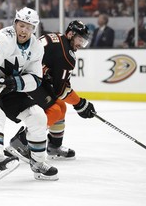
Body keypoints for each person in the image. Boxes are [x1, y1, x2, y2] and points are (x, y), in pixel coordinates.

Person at [0, 7, 58, 182]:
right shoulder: (3, 38)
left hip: (7, 86)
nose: (24, 30)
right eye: (21, 25)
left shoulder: (36, 47)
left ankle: (38, 164)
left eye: (29, 27)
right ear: (15, 23)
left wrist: (15, 83)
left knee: (38, 116)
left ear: (34, 29)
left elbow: (36, 78)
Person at [6, 20, 96, 161]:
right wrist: (80, 104)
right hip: (24, 80)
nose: (81, 45)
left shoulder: (59, 38)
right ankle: (21, 141)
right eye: (80, 40)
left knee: (61, 106)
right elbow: (61, 90)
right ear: (71, 34)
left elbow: (59, 84)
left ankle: (54, 147)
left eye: (84, 41)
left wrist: (79, 103)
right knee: (54, 110)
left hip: (27, 75)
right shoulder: (66, 55)